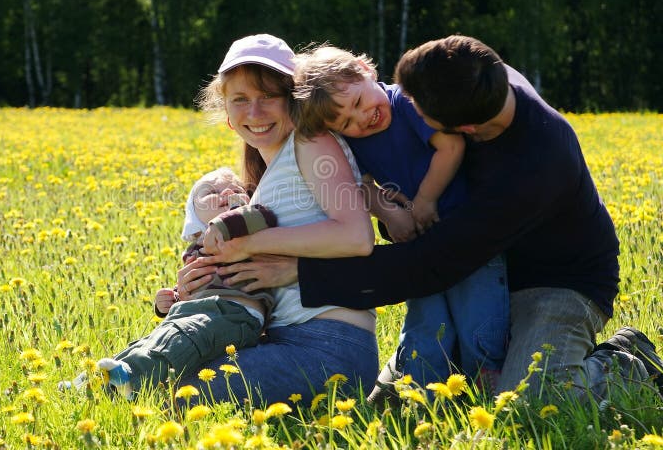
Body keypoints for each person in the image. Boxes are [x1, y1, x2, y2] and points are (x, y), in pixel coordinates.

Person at [207, 35, 661, 401]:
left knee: (527, 399)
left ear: (462, 131)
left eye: (423, 118)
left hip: (555, 282)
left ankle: (627, 360)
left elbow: (436, 262)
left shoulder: (534, 166)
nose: (402, 112)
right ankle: (435, 368)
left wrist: (306, 272)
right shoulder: (468, 78)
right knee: (417, 385)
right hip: (470, 264)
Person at [174, 33, 379, 405]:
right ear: (228, 115)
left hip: (330, 347)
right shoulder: (262, 183)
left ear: (293, 99)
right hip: (286, 338)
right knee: (165, 375)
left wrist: (248, 245)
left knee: (178, 395)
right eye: (241, 100)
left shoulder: (311, 141)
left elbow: (356, 237)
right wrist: (191, 288)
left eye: (268, 96)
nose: (255, 112)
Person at [289, 45, 509, 390]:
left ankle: (492, 387)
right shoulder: (354, 141)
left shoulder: (408, 104)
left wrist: (424, 201)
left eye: (360, 102)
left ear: (366, 69)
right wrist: (392, 215)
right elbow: (362, 186)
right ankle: (423, 397)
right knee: (427, 323)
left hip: (469, 236)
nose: (362, 118)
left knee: (478, 318)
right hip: (422, 247)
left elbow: (451, 147)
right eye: (346, 121)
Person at [59, 167, 278, 399]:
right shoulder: (196, 249)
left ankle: (131, 383)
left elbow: (264, 217)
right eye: (212, 191)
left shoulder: (244, 228)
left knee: (178, 342)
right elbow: (199, 281)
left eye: (234, 189)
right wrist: (172, 298)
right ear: (194, 214)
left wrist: (237, 210)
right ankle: (88, 385)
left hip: (234, 313)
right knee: (149, 343)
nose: (226, 194)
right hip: (193, 311)